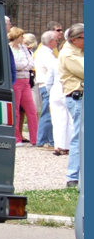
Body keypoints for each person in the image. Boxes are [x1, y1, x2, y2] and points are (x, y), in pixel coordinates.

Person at [59, 23, 84, 188]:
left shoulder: (80, 51)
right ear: (75, 40)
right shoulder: (68, 54)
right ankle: (72, 177)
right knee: (80, 137)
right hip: (79, 97)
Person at [8, 27, 37, 145]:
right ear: (16, 36)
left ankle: (35, 138)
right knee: (15, 111)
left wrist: (22, 65)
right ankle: (17, 138)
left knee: (32, 110)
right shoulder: (9, 48)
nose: (23, 38)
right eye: (21, 36)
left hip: (26, 82)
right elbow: (13, 65)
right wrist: (24, 65)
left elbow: (31, 63)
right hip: (16, 82)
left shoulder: (24, 48)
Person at [33, 30, 58, 147]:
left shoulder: (44, 52)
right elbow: (53, 70)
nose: (57, 42)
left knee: (48, 113)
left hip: (44, 84)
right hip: (46, 85)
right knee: (47, 114)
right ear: (50, 41)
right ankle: (42, 140)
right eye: (56, 40)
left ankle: (48, 140)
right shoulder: (46, 54)